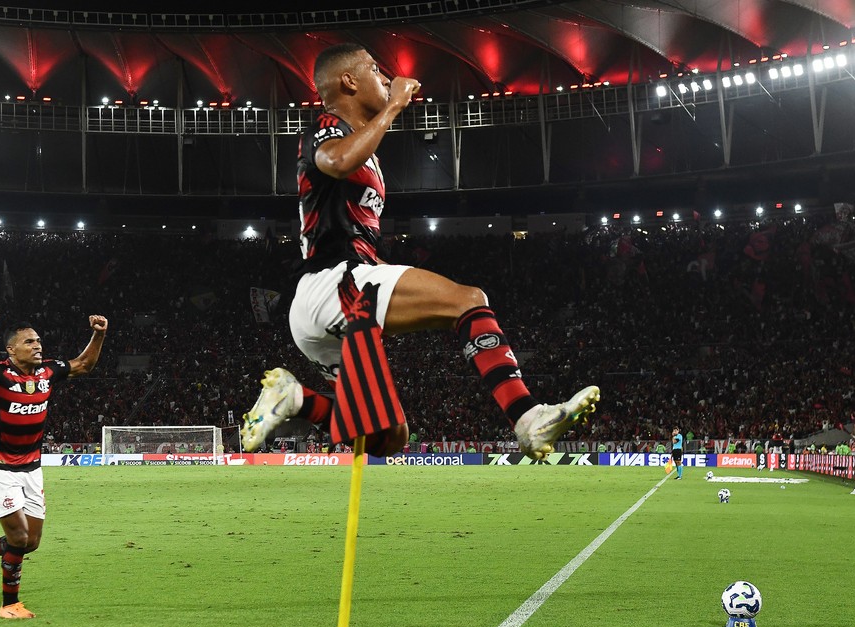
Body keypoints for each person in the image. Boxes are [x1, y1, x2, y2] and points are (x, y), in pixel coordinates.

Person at [239, 43, 599, 460]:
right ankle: (527, 417)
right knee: (469, 300)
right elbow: (335, 162)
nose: (387, 79)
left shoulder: (365, 151)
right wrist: (392, 107)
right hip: (331, 285)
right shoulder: (326, 125)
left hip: (327, 305)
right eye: (376, 70)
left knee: (389, 435)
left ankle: (297, 399)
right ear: (349, 81)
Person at [0, 311, 108, 619]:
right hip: (0, 468)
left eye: (39, 341)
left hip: (32, 468)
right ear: (11, 349)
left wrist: (98, 334)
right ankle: (10, 604)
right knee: (18, 538)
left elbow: (84, 364)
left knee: (30, 542)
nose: (37, 346)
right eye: (29, 342)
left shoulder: (48, 372)